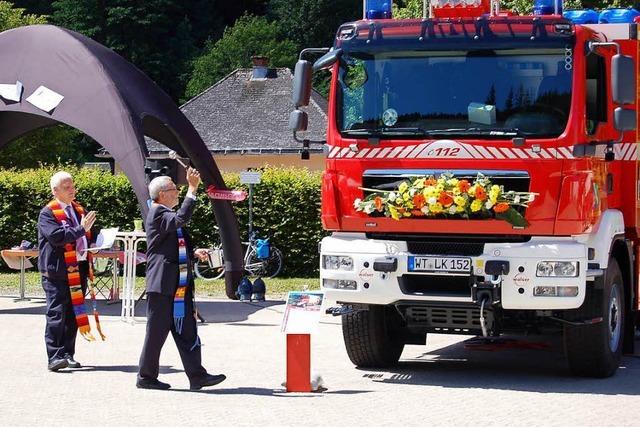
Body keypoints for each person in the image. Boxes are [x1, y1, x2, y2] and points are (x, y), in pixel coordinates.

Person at [137, 168, 226, 390]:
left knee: (187, 331)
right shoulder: (158, 211)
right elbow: (180, 219)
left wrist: (194, 253)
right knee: (156, 333)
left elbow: (172, 243)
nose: (177, 192)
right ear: (162, 194)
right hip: (163, 284)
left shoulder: (165, 213)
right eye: (174, 189)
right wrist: (193, 190)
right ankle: (146, 377)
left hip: (179, 285)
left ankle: (197, 376)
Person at [38, 171, 97, 371]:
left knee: (74, 312)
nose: (72, 190)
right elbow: (57, 236)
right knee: (57, 313)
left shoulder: (79, 209)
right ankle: (54, 356)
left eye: (72, 186)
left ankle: (67, 354)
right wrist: (81, 229)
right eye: (67, 187)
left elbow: (88, 233)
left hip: (77, 267)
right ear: (55, 191)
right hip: (57, 271)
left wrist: (96, 241)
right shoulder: (48, 212)